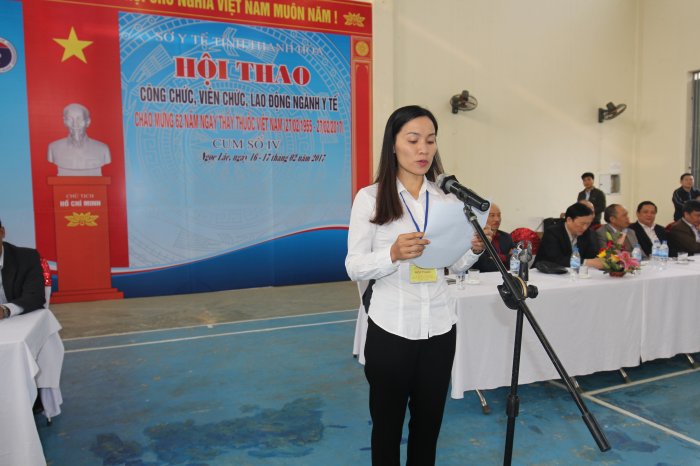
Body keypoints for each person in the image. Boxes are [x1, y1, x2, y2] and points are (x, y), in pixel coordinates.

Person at [345, 105, 489, 466]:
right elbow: (354, 266)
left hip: (440, 327)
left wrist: (472, 250)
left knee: (428, 427)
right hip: (392, 327)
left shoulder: (448, 200)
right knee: (387, 428)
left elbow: (452, 265)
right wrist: (392, 254)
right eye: (413, 140)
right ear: (393, 144)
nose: (423, 149)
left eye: (430, 140)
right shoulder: (370, 198)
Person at [47, 103, 111, 176]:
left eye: (80, 119)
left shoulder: (103, 149)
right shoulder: (53, 148)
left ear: (88, 122)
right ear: (65, 122)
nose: (75, 124)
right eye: (70, 119)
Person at [0, 218, 46, 320]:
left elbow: (35, 296)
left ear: (2, 232)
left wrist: (5, 310)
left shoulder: (27, 258)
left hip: (19, 320)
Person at [534, 202, 603, 269]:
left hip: (574, 273)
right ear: (569, 220)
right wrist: (585, 262)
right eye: (582, 223)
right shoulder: (552, 232)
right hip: (544, 272)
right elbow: (556, 259)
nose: (585, 228)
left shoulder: (587, 233)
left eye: (588, 224)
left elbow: (591, 256)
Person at [472, 203, 514, 272]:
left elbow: (516, 255)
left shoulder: (506, 236)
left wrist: (499, 257)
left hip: (506, 275)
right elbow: (485, 265)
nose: (497, 219)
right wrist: (507, 257)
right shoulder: (476, 238)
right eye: (492, 215)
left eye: (499, 215)